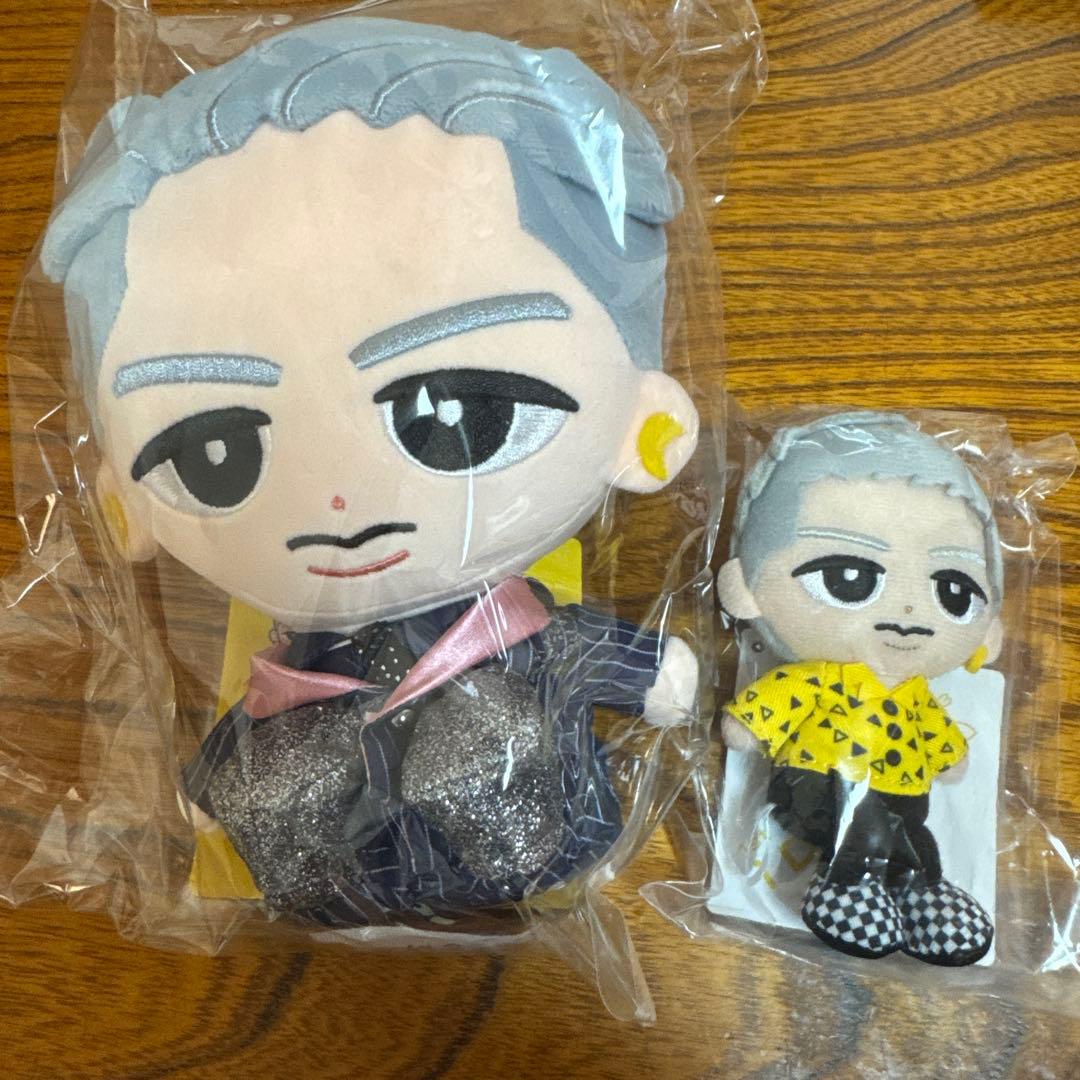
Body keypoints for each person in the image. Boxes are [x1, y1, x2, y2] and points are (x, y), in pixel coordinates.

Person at [40, 17, 699, 925]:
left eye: (465, 413)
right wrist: (220, 782)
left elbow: (571, 646)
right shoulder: (306, 668)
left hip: (542, 856)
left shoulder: (503, 631)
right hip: (343, 891)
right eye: (215, 456)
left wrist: (646, 667)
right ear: (124, 509)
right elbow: (265, 714)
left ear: (650, 424)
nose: (339, 502)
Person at [718, 411, 1000, 965]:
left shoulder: (916, 696)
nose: (910, 611)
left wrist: (950, 757)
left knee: (914, 836)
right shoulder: (822, 678)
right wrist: (746, 725)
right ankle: (846, 885)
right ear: (746, 588)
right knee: (866, 826)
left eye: (952, 590)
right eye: (849, 578)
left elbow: (943, 743)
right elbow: (773, 704)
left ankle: (923, 891)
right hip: (816, 783)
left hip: (903, 794)